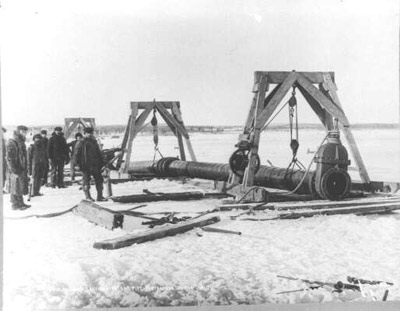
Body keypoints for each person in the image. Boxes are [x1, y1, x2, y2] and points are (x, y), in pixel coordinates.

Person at [74, 127, 106, 201]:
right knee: (86, 181)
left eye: (91, 133)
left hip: (95, 165)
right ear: (84, 133)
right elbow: (76, 155)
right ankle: (88, 197)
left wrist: (102, 162)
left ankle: (100, 196)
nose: (90, 134)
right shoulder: (81, 143)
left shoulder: (94, 142)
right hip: (86, 165)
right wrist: (77, 165)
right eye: (88, 133)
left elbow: (98, 153)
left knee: (99, 180)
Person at [6, 125, 30, 210]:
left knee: (19, 186)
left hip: (21, 167)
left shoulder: (21, 142)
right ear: (18, 131)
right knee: (15, 186)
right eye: (23, 132)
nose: (24, 134)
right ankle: (15, 205)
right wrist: (13, 168)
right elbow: (9, 157)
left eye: (25, 132)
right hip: (15, 168)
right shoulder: (12, 142)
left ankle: (20, 203)